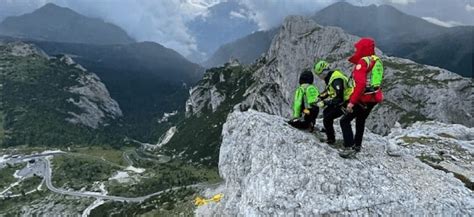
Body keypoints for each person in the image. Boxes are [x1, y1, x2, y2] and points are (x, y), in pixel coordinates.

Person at [339, 37, 384, 158]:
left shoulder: (363, 62)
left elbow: (361, 84)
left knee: (344, 121)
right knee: (360, 120)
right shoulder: (376, 60)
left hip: (363, 98)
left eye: (358, 48)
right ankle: (357, 145)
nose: (356, 50)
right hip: (374, 98)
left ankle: (349, 147)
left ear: (363, 49)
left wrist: (352, 102)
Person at [313, 60, 353, 145]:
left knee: (329, 118)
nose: (319, 77)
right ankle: (329, 131)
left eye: (319, 75)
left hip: (348, 102)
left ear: (323, 73)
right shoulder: (331, 77)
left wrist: (325, 103)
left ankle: (332, 139)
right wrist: (320, 97)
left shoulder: (336, 79)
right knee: (326, 112)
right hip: (344, 101)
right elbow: (329, 91)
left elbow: (339, 98)